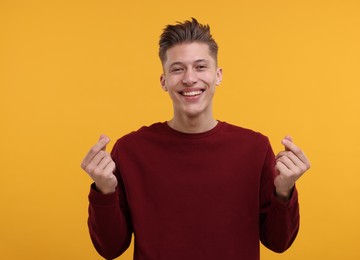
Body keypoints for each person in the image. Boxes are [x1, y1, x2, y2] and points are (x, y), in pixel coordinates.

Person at [81, 18, 310, 260]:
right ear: (164, 81)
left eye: (200, 67)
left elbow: (279, 242)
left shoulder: (255, 148)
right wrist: (103, 192)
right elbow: (110, 248)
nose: (189, 79)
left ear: (218, 75)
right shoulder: (130, 150)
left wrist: (284, 192)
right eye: (178, 69)